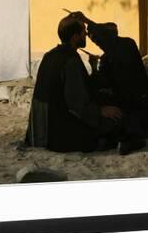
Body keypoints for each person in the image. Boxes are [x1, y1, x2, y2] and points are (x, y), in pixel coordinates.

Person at [25, 15, 137, 154]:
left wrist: (93, 67)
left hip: (40, 129)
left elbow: (79, 87)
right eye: (83, 31)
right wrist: (101, 111)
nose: (86, 34)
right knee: (118, 119)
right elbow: (77, 103)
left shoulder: (51, 55)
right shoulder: (70, 60)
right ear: (75, 36)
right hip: (57, 132)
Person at [69, 12, 148, 151]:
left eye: (97, 38)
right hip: (122, 104)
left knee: (132, 123)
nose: (95, 41)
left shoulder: (127, 46)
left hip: (139, 106)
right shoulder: (107, 58)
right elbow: (101, 84)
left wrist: (86, 21)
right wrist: (94, 69)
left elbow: (109, 42)